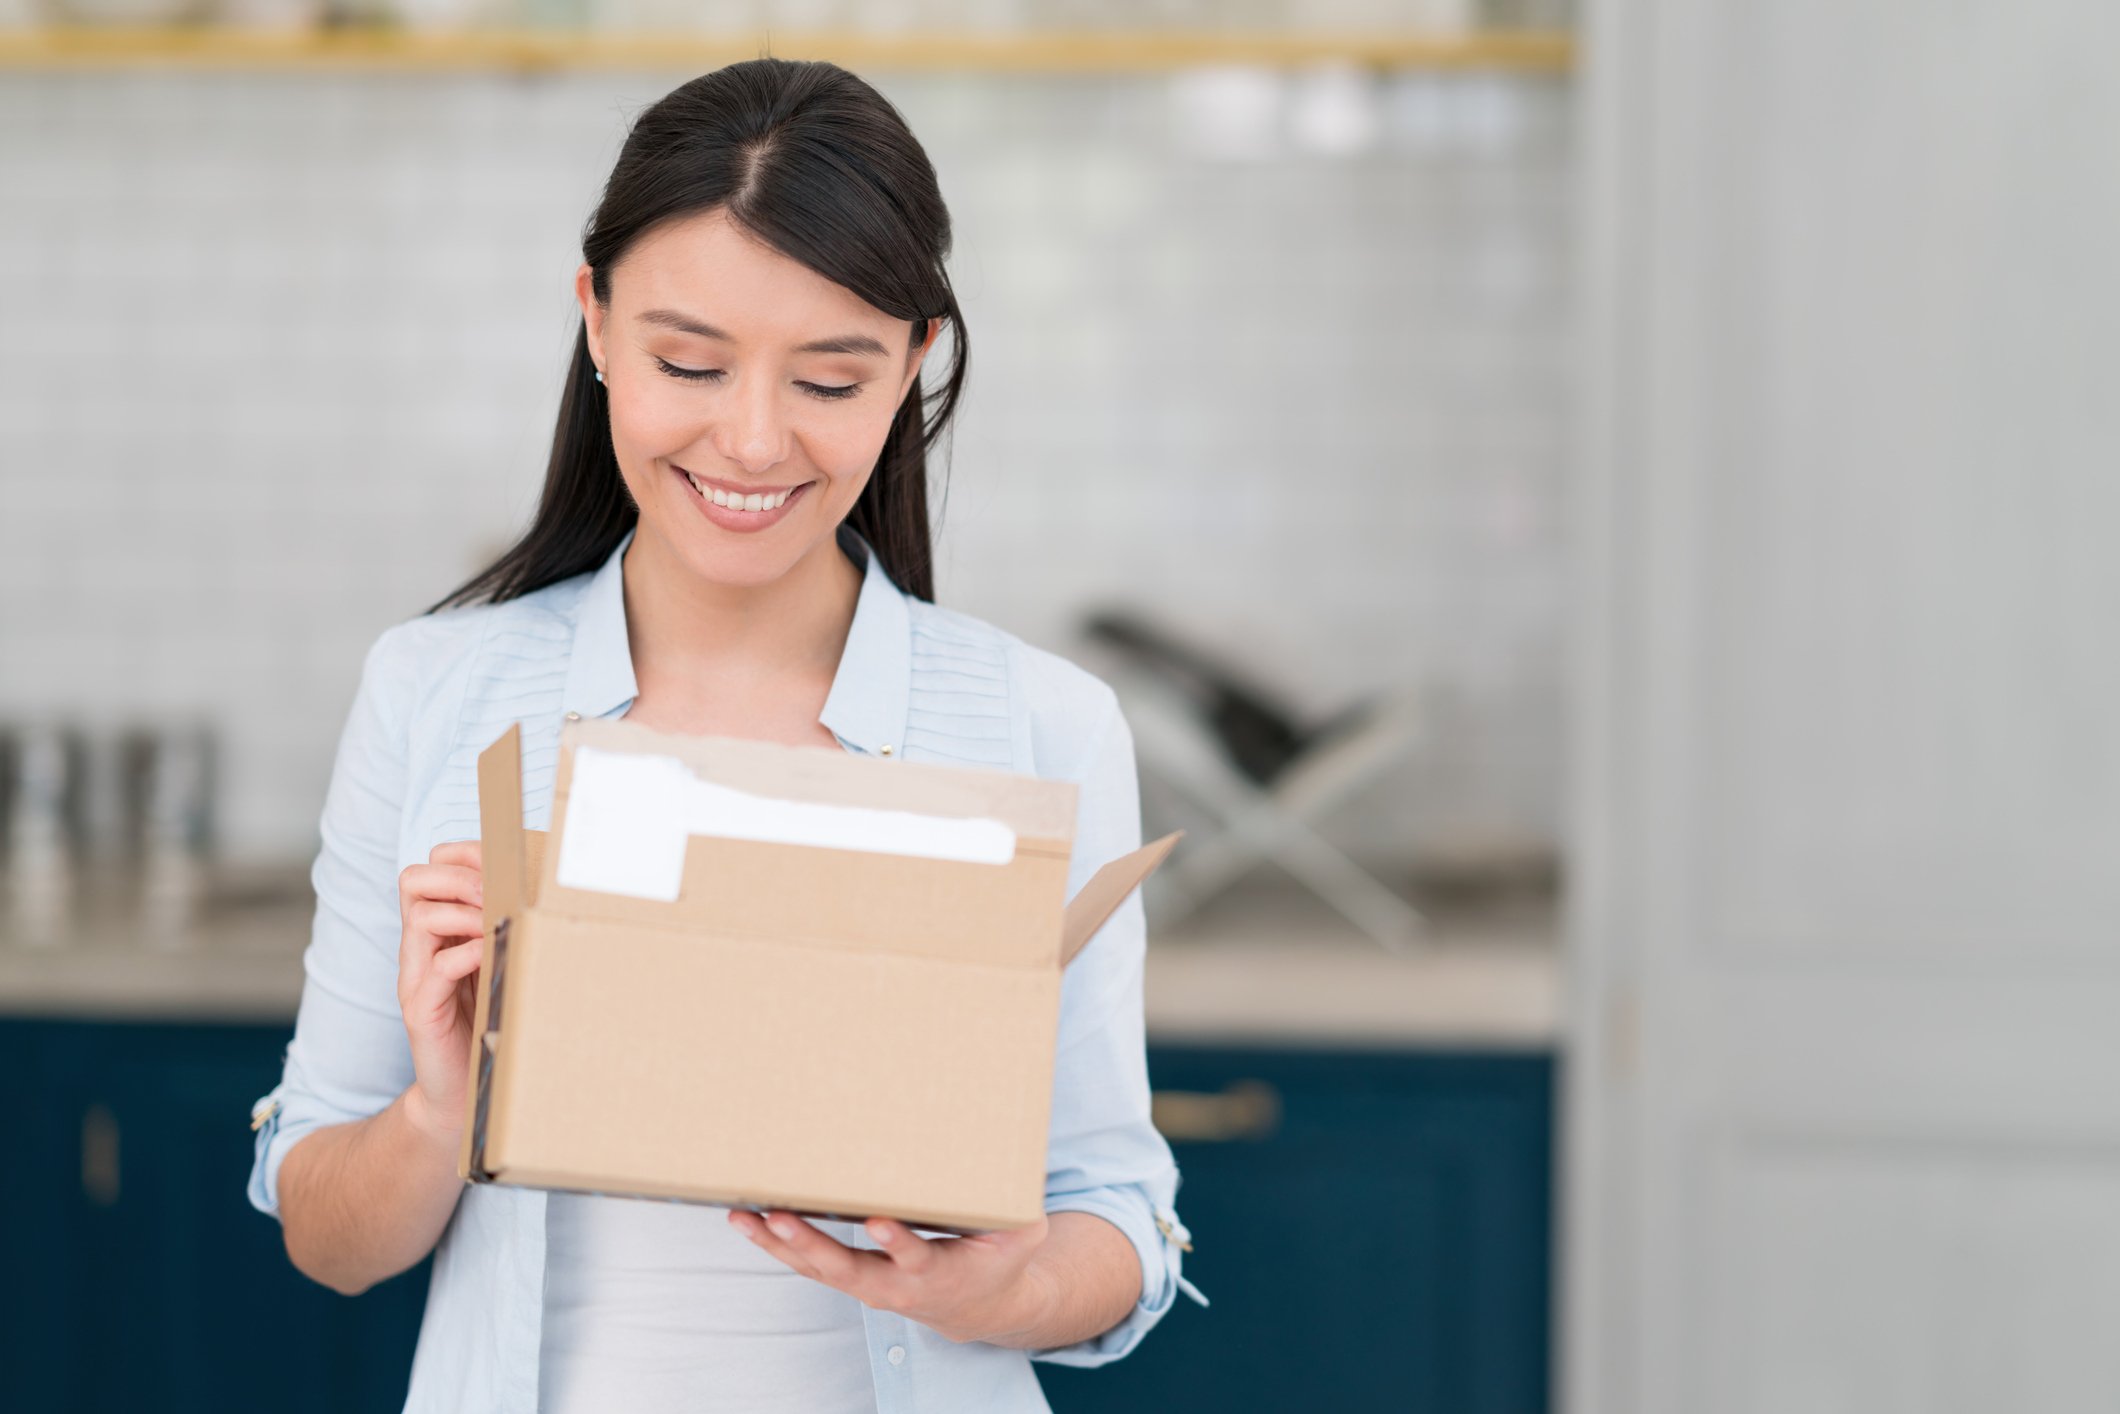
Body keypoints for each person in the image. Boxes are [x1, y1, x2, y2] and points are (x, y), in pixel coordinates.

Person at [241, 57, 1203, 1414]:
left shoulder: (1040, 726)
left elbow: (1114, 1214)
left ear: (916, 360)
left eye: (830, 377)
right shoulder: (437, 694)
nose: (752, 441)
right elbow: (326, 1236)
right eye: (688, 361)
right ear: (595, 322)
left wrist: (996, 1288)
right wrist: (441, 1110)